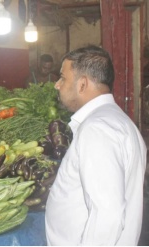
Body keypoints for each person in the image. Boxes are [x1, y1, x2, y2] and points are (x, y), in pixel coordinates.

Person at [45, 45, 147, 245]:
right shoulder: (118, 121)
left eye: (63, 78)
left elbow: (108, 215)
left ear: (82, 84)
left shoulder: (97, 129)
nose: (57, 85)